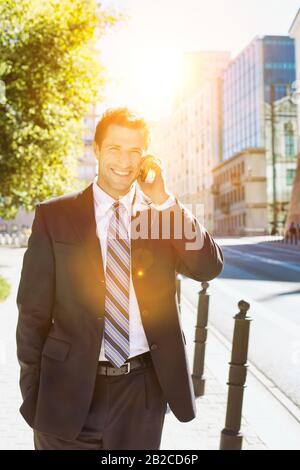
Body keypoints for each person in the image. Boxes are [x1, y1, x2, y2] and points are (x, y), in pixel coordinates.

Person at [16, 107, 224, 450]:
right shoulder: (54, 216)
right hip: (65, 391)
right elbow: (32, 314)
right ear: (96, 151)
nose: (124, 161)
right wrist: (34, 392)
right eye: (114, 148)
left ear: (146, 158)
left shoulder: (161, 217)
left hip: (141, 392)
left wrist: (164, 201)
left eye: (135, 151)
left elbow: (208, 267)